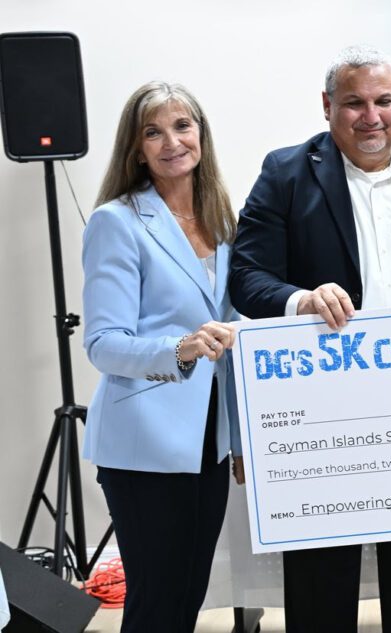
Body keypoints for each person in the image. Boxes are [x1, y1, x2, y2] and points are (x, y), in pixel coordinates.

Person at [228, 45, 391, 633]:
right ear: (327, 106)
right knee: (321, 581)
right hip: (325, 417)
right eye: (354, 103)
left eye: (384, 101)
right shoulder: (286, 174)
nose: (371, 116)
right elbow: (246, 277)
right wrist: (301, 300)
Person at [82, 81, 244, 632]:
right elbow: (103, 344)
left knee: (187, 597)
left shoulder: (224, 221)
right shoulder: (116, 222)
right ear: (136, 149)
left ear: (201, 134)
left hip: (208, 443)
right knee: (156, 603)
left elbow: (233, 334)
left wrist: (240, 439)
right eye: (153, 132)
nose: (172, 142)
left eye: (182, 126)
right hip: (143, 446)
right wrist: (180, 348)